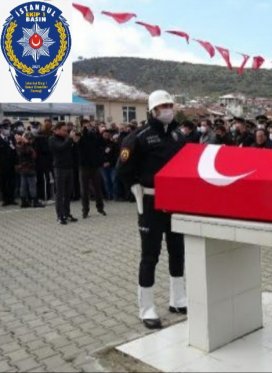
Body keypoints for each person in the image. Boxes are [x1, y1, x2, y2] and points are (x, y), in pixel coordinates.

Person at [117, 90, 187, 329]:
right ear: (153, 110)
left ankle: (178, 299)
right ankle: (146, 308)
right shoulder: (139, 137)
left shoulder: (178, 135)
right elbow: (123, 168)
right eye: (163, 106)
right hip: (150, 203)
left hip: (175, 203)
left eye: (170, 104)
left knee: (178, 251)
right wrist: (135, 188)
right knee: (150, 256)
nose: (168, 109)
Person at [49, 122, 80, 225]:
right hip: (59, 169)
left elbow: (74, 152)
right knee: (60, 194)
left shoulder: (66, 139)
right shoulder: (52, 139)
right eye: (64, 130)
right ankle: (60, 215)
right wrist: (70, 139)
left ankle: (67, 213)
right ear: (57, 130)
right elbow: (60, 148)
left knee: (68, 193)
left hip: (69, 168)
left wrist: (75, 142)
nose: (66, 132)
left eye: (66, 130)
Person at [77, 119, 106, 219]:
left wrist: (98, 132)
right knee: (84, 190)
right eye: (85, 125)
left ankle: (100, 208)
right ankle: (85, 210)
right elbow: (78, 144)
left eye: (88, 125)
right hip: (84, 166)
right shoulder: (80, 134)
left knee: (98, 188)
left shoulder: (94, 135)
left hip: (94, 166)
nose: (88, 127)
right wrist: (83, 131)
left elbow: (101, 144)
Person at [15, 132, 44, 208]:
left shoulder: (19, 145)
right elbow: (32, 154)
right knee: (32, 185)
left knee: (23, 185)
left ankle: (24, 201)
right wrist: (27, 143)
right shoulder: (27, 146)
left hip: (22, 168)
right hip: (29, 168)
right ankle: (34, 201)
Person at [33, 120, 54, 202]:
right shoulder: (43, 138)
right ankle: (46, 197)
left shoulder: (38, 137)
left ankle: (41, 197)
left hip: (40, 162)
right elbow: (46, 150)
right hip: (44, 162)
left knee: (42, 180)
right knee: (46, 180)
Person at [0, 120, 18, 206]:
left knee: (12, 182)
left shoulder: (11, 138)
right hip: (2, 165)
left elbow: (14, 151)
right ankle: (5, 199)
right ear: (1, 129)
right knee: (4, 182)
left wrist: (16, 163)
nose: (7, 130)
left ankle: (11, 198)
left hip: (11, 164)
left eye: (8, 128)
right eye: (5, 128)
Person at [101, 129, 120, 200]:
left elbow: (116, 155)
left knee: (114, 180)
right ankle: (109, 196)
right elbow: (98, 155)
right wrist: (102, 163)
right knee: (106, 181)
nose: (106, 135)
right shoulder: (99, 144)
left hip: (112, 165)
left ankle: (115, 196)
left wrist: (110, 162)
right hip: (102, 166)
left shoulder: (113, 144)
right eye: (105, 134)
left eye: (107, 134)